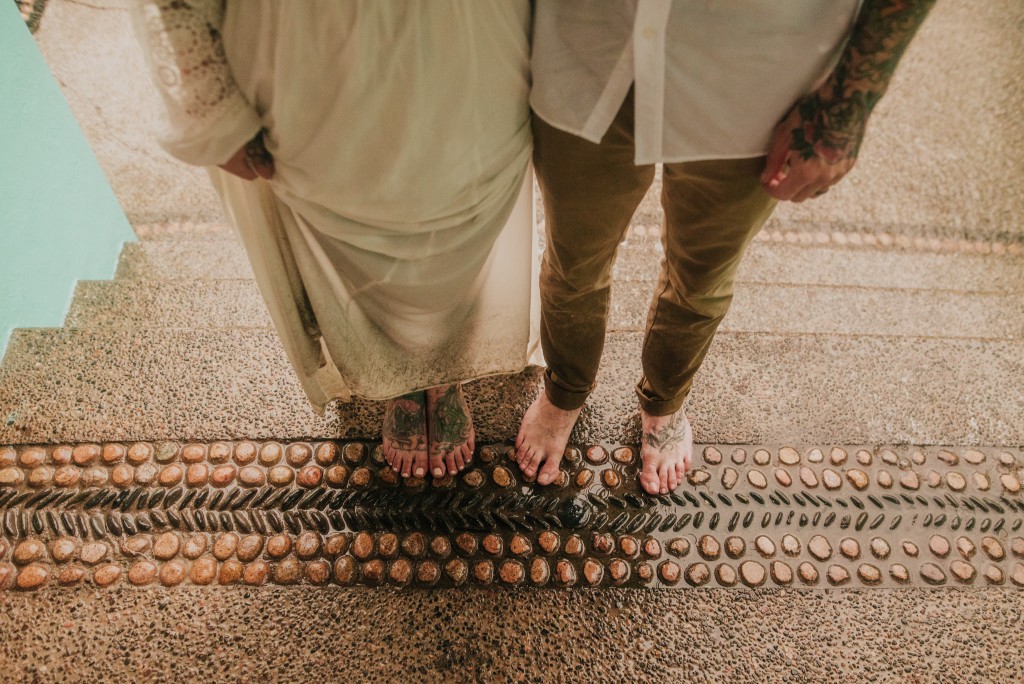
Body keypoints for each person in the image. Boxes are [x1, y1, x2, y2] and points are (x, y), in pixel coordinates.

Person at [516, 0, 937, 495]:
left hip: (757, 80)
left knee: (702, 275)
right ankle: (563, 391)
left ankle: (665, 402)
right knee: (574, 262)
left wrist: (847, 109)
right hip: (587, 49)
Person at [129, 1, 538, 482]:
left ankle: (443, 375)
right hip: (308, 65)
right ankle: (402, 379)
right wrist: (208, 103)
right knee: (356, 251)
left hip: (467, 48)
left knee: (458, 232)